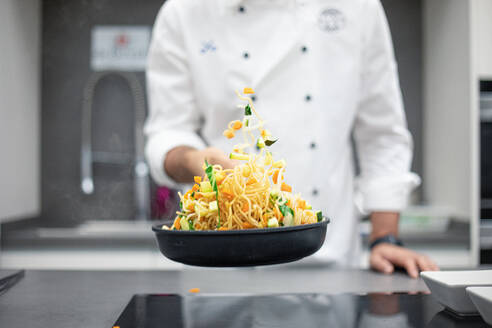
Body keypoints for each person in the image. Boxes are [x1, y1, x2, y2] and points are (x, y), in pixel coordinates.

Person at [144, 0, 439, 277]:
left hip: (326, 263)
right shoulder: (184, 11)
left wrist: (383, 238)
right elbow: (167, 130)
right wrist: (196, 161)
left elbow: (382, 133)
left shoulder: (357, 6)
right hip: (219, 263)